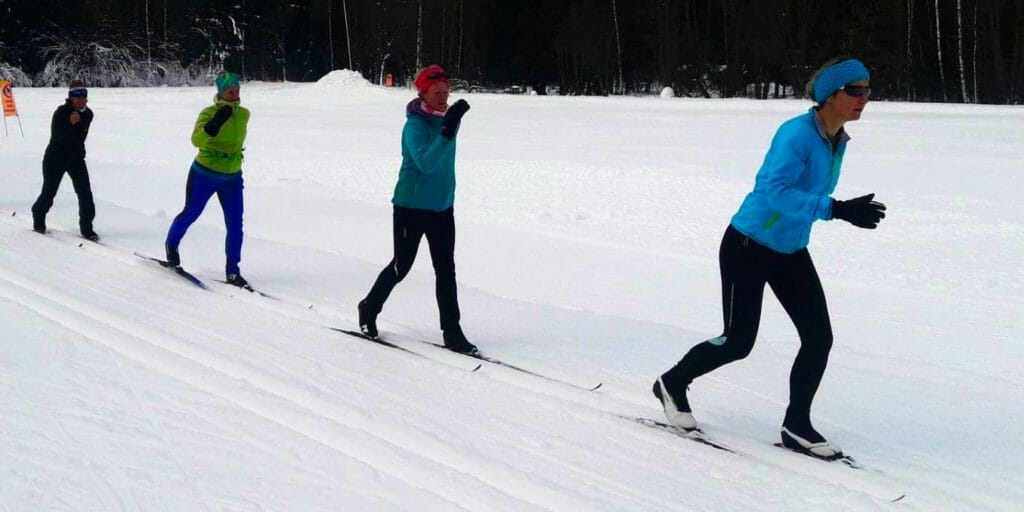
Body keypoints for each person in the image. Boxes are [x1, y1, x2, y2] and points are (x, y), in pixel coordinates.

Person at [653, 57, 886, 459]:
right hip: (748, 244)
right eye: (856, 90)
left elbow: (800, 198)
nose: (865, 98)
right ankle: (672, 382)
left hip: (790, 249)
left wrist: (837, 210)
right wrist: (836, 209)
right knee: (737, 342)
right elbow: (775, 192)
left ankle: (796, 425)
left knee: (819, 338)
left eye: (868, 90)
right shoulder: (795, 135)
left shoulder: (837, 139)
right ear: (831, 94)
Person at [357, 65, 477, 354]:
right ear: (423, 93)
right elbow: (425, 162)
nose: (443, 97)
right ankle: (368, 307)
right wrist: (447, 132)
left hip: (442, 208)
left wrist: (449, 127)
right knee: (401, 266)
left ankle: (452, 331)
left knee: (445, 270)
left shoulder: (448, 120)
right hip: (411, 207)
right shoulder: (414, 126)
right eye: (437, 92)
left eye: (447, 92)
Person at [164, 71, 251, 287]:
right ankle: (171, 247)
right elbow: (196, 140)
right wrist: (212, 126)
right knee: (191, 213)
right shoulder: (208, 112)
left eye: (238, 90)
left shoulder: (244, 114)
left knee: (235, 224)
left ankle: (233, 271)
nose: (236, 95)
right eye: (230, 91)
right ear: (221, 93)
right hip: (204, 173)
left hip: (232, 176)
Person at [32, 80, 98, 240]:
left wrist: (78, 123)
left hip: (76, 158)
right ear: (70, 97)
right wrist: (70, 124)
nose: (80, 98)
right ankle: (38, 217)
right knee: (49, 191)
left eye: (83, 95)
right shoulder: (61, 112)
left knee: (85, 193)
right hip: (55, 157)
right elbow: (58, 137)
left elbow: (80, 134)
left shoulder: (88, 113)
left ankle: (87, 229)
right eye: (76, 95)